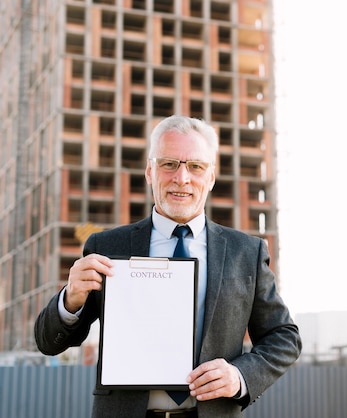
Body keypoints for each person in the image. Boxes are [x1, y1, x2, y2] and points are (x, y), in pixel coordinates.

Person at [35, 115, 302, 418]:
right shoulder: (107, 247)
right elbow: (47, 342)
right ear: (150, 171)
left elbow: (285, 337)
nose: (182, 178)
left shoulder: (247, 252)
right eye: (169, 164)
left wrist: (239, 376)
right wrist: (70, 300)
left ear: (211, 177)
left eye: (195, 166)